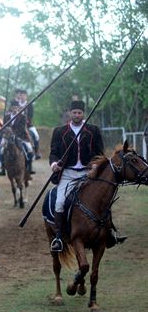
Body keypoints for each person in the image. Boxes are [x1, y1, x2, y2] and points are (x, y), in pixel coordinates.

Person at [48, 100, 118, 253]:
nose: (77, 115)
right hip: (68, 173)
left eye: (80, 113)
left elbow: (99, 153)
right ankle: (59, 237)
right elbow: (54, 152)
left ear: (83, 113)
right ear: (70, 113)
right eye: (75, 112)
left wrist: (95, 167)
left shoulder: (93, 130)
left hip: (88, 172)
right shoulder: (60, 131)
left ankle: (109, 232)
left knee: (102, 199)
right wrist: (54, 164)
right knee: (59, 202)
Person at [5, 100, 35, 174]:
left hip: (21, 137)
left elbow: (21, 128)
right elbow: (4, 127)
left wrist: (14, 134)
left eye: (16, 108)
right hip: (8, 137)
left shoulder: (22, 117)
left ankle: (29, 167)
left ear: (18, 108)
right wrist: (5, 136)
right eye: (13, 108)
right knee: (2, 150)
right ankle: (2, 167)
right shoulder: (7, 117)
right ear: (11, 108)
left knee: (29, 149)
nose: (14, 109)